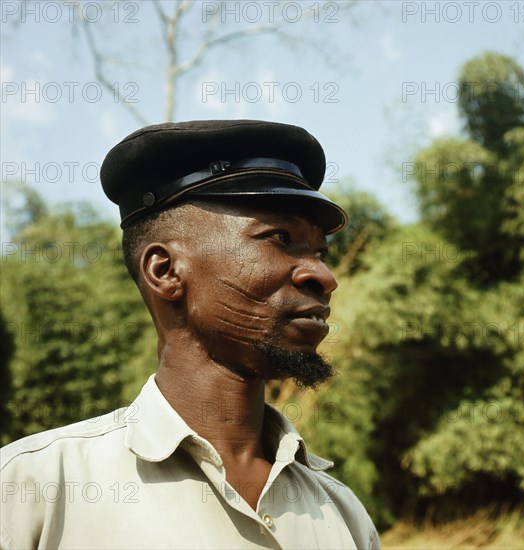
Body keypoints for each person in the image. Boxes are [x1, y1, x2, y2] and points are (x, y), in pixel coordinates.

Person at [0, 120, 380, 549]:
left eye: (319, 252)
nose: (323, 276)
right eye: (281, 238)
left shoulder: (342, 513)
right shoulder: (34, 490)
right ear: (165, 272)